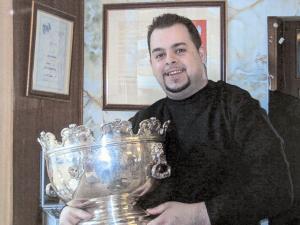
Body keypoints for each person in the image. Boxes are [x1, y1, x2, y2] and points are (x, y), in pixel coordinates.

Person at [59, 13, 293, 225]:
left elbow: (278, 190)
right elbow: (107, 186)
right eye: (159, 54)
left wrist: (199, 214)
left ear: (200, 53)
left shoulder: (237, 106)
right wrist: (72, 210)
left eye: (179, 50)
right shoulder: (142, 122)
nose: (169, 60)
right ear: (152, 64)